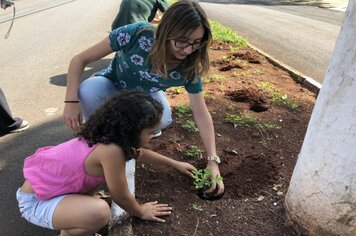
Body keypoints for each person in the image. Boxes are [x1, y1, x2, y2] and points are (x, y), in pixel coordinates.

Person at [63, 0, 224, 197]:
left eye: (196, 42)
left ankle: (126, 137)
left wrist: (212, 161)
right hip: (112, 85)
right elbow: (79, 59)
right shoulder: (137, 34)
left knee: (163, 118)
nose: (188, 50)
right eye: (182, 41)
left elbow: (200, 112)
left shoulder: (191, 66)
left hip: (144, 96)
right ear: (166, 31)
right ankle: (98, 141)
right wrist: (70, 102)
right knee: (87, 92)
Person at [17, 90, 195, 235]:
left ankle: (77, 218)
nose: (152, 136)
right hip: (37, 203)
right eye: (150, 132)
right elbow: (121, 196)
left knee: (95, 202)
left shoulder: (106, 134)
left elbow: (139, 154)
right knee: (100, 212)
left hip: (47, 192)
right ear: (131, 131)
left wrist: (175, 163)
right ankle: (70, 232)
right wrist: (141, 211)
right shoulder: (111, 151)